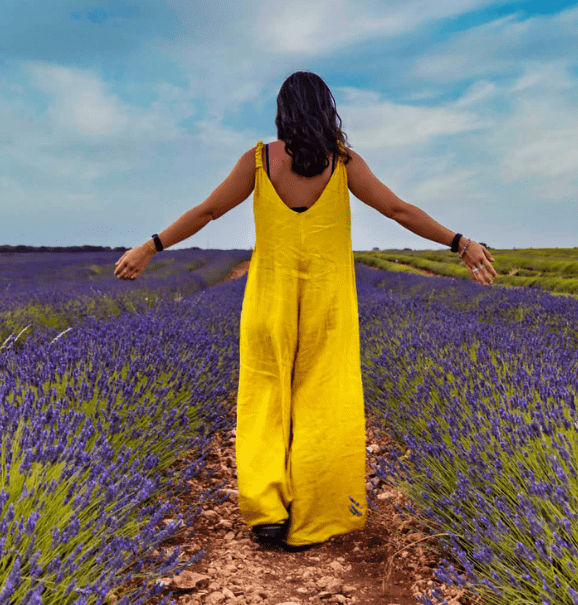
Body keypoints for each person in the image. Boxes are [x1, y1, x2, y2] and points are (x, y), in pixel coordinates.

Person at [113, 71, 497, 551]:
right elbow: (399, 211)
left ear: (283, 111)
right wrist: (459, 242)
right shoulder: (344, 163)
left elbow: (208, 211)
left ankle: (269, 513)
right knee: (324, 399)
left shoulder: (258, 161)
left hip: (268, 299)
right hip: (329, 303)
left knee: (265, 398)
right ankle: (317, 512)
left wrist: (150, 247)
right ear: (325, 110)